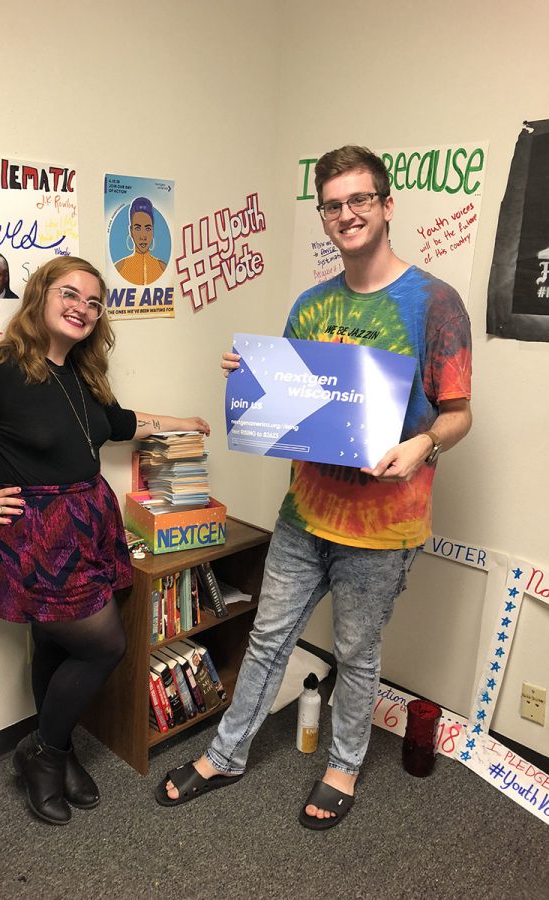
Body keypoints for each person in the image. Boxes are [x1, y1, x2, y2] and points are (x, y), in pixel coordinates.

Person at [155, 146, 472, 830]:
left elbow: (457, 413)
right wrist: (253, 378)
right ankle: (226, 754)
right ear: (323, 216)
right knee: (268, 638)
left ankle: (342, 766)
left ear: (387, 206)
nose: (346, 214)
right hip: (303, 516)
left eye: (360, 199)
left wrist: (421, 444)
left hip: (382, 530)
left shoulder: (434, 303)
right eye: (332, 204)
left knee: (356, 655)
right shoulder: (310, 303)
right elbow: (297, 409)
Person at [0, 255, 209, 826]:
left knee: (55, 645)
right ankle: (45, 754)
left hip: (87, 524)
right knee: (103, 645)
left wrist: (182, 423)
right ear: (39, 296)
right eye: (70, 294)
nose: (83, 309)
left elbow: (119, 423)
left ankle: (50, 748)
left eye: (94, 303)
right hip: (34, 538)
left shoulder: (82, 374)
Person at [115, 197, 167, 285]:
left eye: (148, 228)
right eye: (138, 228)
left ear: (153, 231)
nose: (143, 236)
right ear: (131, 231)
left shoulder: (163, 268)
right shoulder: (119, 268)